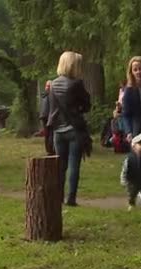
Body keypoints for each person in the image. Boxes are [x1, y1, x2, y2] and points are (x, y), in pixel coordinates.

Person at [47, 51, 91, 206]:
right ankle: (71, 198)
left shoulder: (53, 84)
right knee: (74, 165)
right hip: (74, 129)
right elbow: (87, 105)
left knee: (60, 166)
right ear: (73, 66)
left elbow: (51, 108)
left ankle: (57, 196)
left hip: (58, 130)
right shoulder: (76, 84)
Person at [39, 80, 54, 155]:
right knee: (50, 133)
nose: (47, 87)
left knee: (47, 134)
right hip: (48, 116)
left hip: (44, 116)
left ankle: (49, 149)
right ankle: (50, 149)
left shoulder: (43, 95)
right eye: (47, 86)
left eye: (48, 86)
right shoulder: (50, 95)